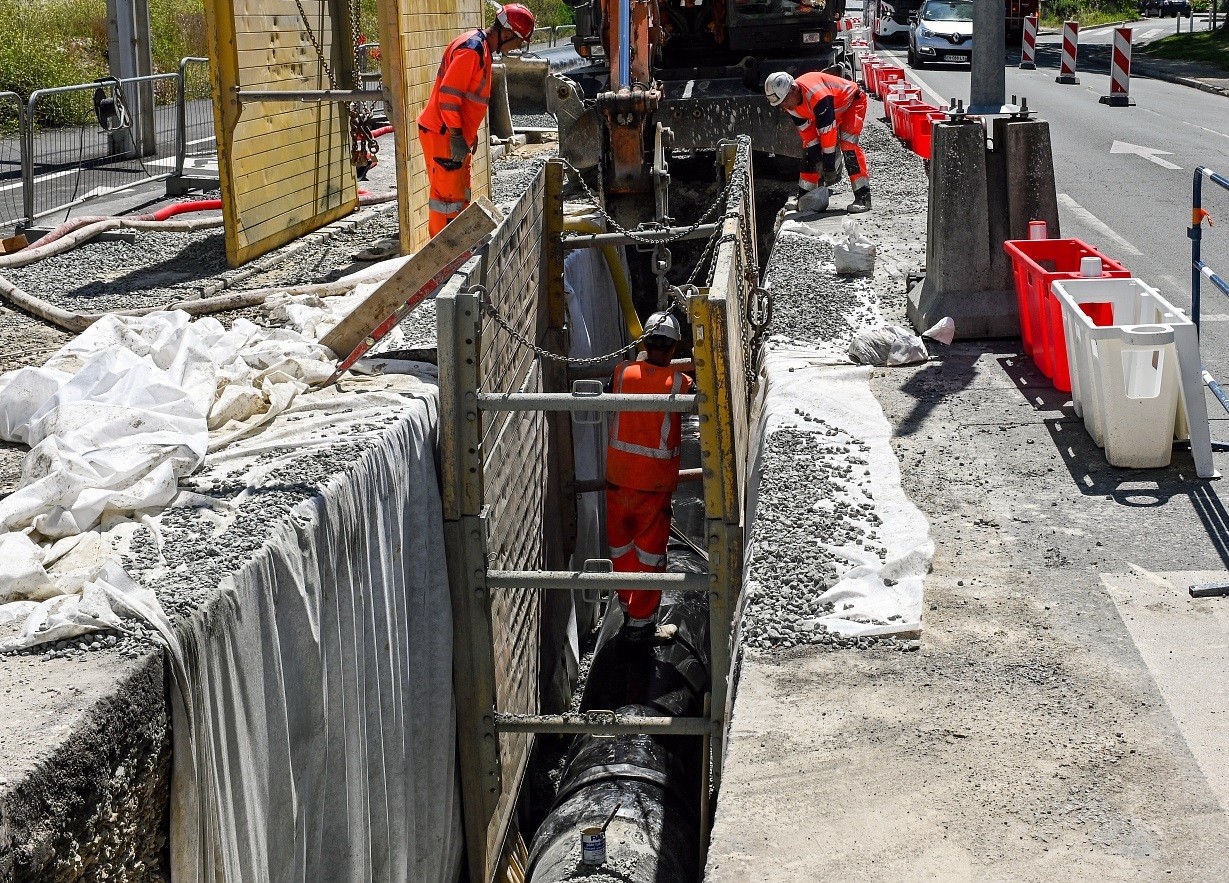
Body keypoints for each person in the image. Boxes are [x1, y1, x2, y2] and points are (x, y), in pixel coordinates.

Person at [605, 311, 695, 644]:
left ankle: (628, 612)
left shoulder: (621, 373)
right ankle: (642, 626)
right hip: (654, 486)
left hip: (617, 480)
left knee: (622, 549)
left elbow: (634, 371)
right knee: (649, 554)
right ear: (673, 348)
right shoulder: (679, 384)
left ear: (643, 342)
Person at [416, 4, 535, 236]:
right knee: (447, 202)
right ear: (507, 34)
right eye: (518, 42)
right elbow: (449, 97)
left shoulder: (476, 44)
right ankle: (444, 259)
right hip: (445, 134)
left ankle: (457, 251)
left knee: (456, 197)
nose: (516, 48)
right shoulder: (473, 51)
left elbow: (466, 96)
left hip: (448, 132)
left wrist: (467, 132)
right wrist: (457, 135)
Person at [764, 67, 872, 214]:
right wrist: (817, 161)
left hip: (851, 103)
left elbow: (828, 135)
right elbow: (809, 136)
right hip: (830, 108)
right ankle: (804, 196)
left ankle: (863, 196)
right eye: (780, 104)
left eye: (785, 101)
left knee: (848, 144)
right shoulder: (790, 103)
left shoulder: (816, 95)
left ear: (794, 89)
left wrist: (828, 167)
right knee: (808, 148)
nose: (784, 106)